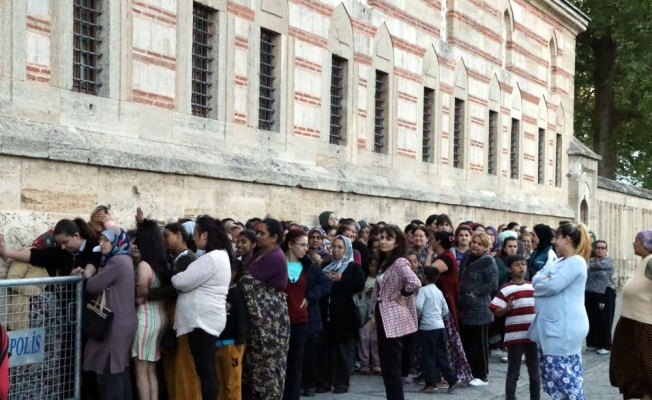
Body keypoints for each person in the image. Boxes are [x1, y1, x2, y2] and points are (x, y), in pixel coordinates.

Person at [527, 222, 591, 400]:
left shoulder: (576, 262)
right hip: (553, 326)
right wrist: (543, 280)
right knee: (554, 376)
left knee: (565, 376)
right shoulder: (560, 260)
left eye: (557, 237)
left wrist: (544, 281)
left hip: (564, 328)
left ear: (567, 239)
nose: (554, 241)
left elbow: (551, 285)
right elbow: (537, 278)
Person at [172, 216, 232, 400]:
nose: (193, 238)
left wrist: (179, 279)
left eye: (196, 234)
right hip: (207, 319)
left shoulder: (211, 258)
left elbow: (180, 281)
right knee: (205, 368)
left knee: (205, 369)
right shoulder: (219, 256)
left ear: (205, 235)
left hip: (203, 321)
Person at [140, 222, 200, 399]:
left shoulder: (185, 259)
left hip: (182, 315)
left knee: (184, 365)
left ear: (179, 235)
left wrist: (149, 293)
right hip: (175, 314)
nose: (164, 240)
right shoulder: (179, 257)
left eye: (167, 236)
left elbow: (177, 288)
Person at [83, 226, 138, 400]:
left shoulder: (116, 262)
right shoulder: (125, 259)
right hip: (124, 322)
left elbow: (93, 285)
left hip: (114, 324)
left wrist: (89, 276)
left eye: (107, 240)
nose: (102, 243)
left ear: (117, 242)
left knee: (110, 371)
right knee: (120, 369)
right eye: (101, 240)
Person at [369, 225, 422, 400]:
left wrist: (402, 294)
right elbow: (378, 289)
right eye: (381, 237)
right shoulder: (385, 261)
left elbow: (415, 282)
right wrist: (372, 313)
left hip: (393, 315)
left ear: (397, 241)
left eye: (388, 238)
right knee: (387, 364)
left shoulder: (400, 262)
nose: (383, 241)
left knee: (391, 364)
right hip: (381, 313)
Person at [241, 218, 290, 399]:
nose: (258, 236)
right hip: (257, 322)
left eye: (262, 233)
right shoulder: (259, 254)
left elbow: (247, 280)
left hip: (270, 323)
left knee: (268, 368)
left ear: (274, 237)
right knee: (255, 368)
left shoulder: (275, 257)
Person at [282, 229, 332, 400]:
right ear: (290, 244)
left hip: (302, 319)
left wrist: (309, 298)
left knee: (296, 363)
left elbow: (326, 283)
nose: (306, 248)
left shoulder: (309, 264)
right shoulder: (277, 263)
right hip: (280, 320)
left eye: (306, 245)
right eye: (302, 244)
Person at [316, 236, 365, 394]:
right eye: (334, 247)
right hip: (325, 315)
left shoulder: (353, 268)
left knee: (342, 352)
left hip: (344, 318)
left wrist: (342, 278)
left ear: (347, 249)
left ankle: (341, 383)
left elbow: (359, 285)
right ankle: (324, 381)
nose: (336, 250)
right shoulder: (326, 265)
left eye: (340, 247)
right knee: (324, 350)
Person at [490, 255, 540, 400]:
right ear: (509, 269)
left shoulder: (533, 287)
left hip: (532, 335)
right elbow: (496, 312)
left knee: (535, 373)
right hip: (514, 337)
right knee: (513, 372)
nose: (521, 267)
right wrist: (506, 309)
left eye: (523, 264)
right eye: (517, 265)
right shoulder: (506, 289)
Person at [426, 231, 473, 383]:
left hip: (443, 306)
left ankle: (451, 374)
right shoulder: (444, 256)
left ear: (438, 242)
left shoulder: (446, 258)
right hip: (439, 304)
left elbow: (428, 273)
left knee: (446, 342)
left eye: (432, 239)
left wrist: (428, 254)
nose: (431, 241)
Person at [610, 230, 652, 400]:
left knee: (646, 370)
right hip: (631, 324)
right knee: (634, 372)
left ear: (645, 244)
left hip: (644, 326)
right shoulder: (643, 262)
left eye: (636, 240)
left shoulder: (651, 262)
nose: (633, 243)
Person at [131, 219, 171, 400]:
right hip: (160, 317)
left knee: (141, 369)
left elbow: (139, 297)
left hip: (145, 319)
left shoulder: (144, 266)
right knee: (152, 369)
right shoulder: (163, 263)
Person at [458, 232, 498, 387]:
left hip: (480, 308)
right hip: (465, 306)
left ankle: (482, 375)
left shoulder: (488, 261)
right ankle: (469, 372)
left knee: (479, 343)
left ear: (485, 247)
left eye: (479, 244)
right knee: (467, 342)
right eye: (473, 242)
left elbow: (493, 284)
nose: (475, 245)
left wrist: (476, 293)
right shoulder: (467, 257)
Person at [415, 267, 462, 394]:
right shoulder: (438, 291)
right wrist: (437, 316)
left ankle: (431, 384)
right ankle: (452, 379)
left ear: (424, 277)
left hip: (427, 326)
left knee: (428, 356)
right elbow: (445, 310)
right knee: (441, 354)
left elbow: (418, 306)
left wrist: (421, 316)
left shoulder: (423, 290)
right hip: (439, 325)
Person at [214, 259, 247, 400]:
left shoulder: (236, 294)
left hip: (232, 343)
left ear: (232, 273)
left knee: (232, 382)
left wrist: (240, 340)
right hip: (217, 342)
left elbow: (241, 317)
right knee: (219, 383)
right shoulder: (216, 292)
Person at [585, 240, 616, 355]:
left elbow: (600, 266)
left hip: (605, 293)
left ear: (606, 250)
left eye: (603, 248)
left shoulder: (609, 261)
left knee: (604, 319)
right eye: (598, 247)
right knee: (591, 318)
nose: (600, 249)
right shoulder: (591, 260)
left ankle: (605, 345)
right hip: (590, 292)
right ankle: (592, 343)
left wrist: (591, 265)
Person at [358, 256, 380, 376]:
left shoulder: (380, 279)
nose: (373, 268)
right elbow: (358, 295)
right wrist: (365, 291)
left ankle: (377, 363)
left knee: (375, 339)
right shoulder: (364, 279)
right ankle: (364, 363)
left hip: (376, 313)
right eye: (371, 265)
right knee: (364, 337)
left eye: (376, 266)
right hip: (364, 313)